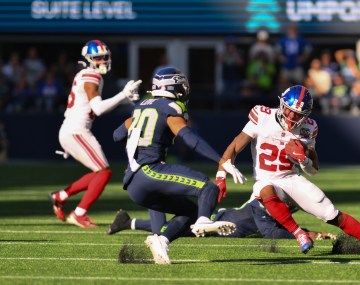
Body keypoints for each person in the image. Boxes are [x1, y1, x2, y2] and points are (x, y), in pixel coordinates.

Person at [215, 85, 360, 256]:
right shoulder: (262, 116)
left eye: (298, 114)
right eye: (289, 110)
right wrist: (221, 174)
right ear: (282, 104)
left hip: (291, 179)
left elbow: (313, 170)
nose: (292, 117)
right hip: (267, 180)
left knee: (333, 214)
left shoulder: (308, 128)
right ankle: (299, 233)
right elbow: (235, 147)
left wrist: (304, 159)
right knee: (264, 187)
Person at [112, 66, 246, 264]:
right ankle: (203, 221)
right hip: (149, 170)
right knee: (207, 187)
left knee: (189, 212)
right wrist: (220, 160)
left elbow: (117, 135)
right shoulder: (170, 108)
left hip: (133, 184)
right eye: (182, 86)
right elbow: (189, 138)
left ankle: (161, 240)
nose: (185, 90)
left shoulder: (141, 107)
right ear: (173, 87)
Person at [49, 40, 142, 228]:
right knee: (104, 172)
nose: (104, 61)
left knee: (100, 171)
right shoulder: (91, 75)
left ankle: (61, 196)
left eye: (105, 57)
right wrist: (123, 95)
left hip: (73, 130)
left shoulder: (88, 74)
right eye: (99, 58)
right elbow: (98, 108)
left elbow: (94, 105)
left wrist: (126, 100)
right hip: (76, 130)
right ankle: (79, 213)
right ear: (89, 59)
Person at [107, 200, 337, 241]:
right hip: (220, 223)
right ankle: (128, 222)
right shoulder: (264, 205)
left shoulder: (270, 204)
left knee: (180, 229)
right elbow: (275, 232)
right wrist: (310, 235)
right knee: (179, 229)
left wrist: (313, 232)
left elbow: (283, 225)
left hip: (226, 220)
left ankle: (127, 222)